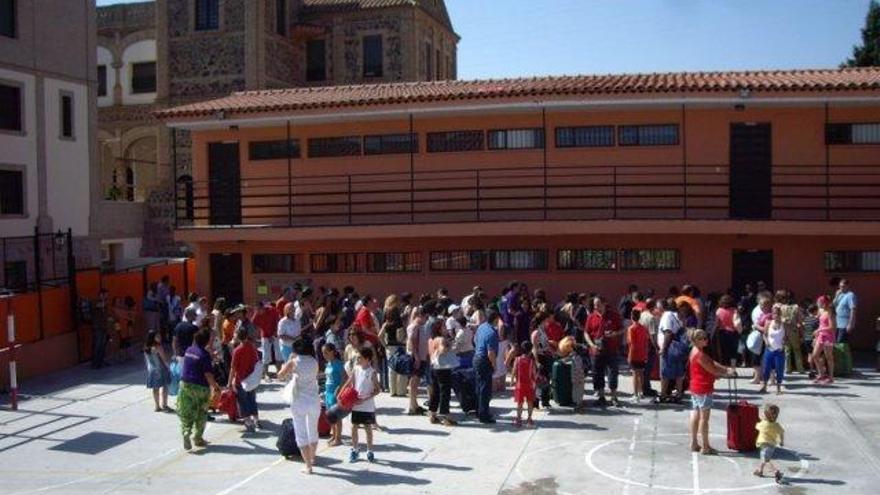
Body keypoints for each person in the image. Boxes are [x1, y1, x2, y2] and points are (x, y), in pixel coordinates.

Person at [688, 329, 735, 455]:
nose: (706, 340)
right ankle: (706, 446)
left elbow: (712, 363)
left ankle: (694, 443)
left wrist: (726, 369)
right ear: (696, 340)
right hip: (703, 388)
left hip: (695, 387)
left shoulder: (695, 351)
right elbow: (713, 369)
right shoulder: (700, 355)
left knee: (696, 414)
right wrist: (727, 373)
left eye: (705, 337)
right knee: (704, 418)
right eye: (702, 338)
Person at [278, 336, 321, 474]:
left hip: (299, 401)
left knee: (301, 433)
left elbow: (280, 375)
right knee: (313, 430)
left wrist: (288, 363)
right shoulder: (314, 361)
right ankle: (312, 458)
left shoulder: (294, 362)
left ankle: (308, 465)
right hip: (314, 400)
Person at [177, 329, 221, 451]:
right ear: (206, 341)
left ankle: (186, 432)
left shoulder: (189, 350)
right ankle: (197, 438)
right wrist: (215, 387)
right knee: (201, 413)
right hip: (200, 386)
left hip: (185, 384)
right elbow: (208, 375)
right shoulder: (204, 355)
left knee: (187, 411)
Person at [341, 346, 381, 463]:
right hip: (355, 404)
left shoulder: (372, 372)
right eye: (357, 357)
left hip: (367, 405)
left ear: (368, 359)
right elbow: (349, 383)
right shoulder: (356, 369)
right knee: (354, 426)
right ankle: (355, 449)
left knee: (368, 427)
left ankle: (370, 450)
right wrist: (341, 393)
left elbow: (378, 390)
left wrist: (365, 398)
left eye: (360, 358)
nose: (357, 360)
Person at [584, 297, 624, 407]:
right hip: (596, 350)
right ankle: (601, 397)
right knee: (597, 373)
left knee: (613, 373)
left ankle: (614, 397)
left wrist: (614, 334)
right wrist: (591, 345)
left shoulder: (614, 315)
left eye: (598, 305)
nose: (596, 307)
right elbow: (586, 333)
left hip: (611, 350)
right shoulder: (591, 316)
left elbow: (622, 329)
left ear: (604, 304)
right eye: (595, 305)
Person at [229, 327, 261, 432]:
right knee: (252, 399)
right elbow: (256, 361)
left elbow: (233, 368)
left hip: (240, 380)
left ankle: (248, 421)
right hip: (251, 379)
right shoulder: (251, 348)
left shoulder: (237, 351)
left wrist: (230, 382)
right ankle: (256, 420)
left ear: (238, 337)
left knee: (243, 401)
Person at [428, 317, 458, 426]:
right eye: (444, 326)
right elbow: (442, 350)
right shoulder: (441, 339)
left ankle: (432, 414)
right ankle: (446, 416)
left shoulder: (431, 339)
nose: (446, 328)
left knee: (435, 391)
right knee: (445, 392)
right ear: (439, 329)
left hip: (434, 367)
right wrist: (448, 345)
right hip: (443, 369)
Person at [659, 301, 690, 403]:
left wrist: (663, 349)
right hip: (680, 350)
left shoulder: (667, 315)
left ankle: (663, 395)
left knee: (665, 374)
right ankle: (678, 395)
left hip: (670, 349)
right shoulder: (680, 317)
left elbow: (668, 332)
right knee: (679, 374)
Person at [474, 309, 501, 424]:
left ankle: (478, 410)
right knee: (485, 389)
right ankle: (484, 415)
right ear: (495, 319)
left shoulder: (481, 327)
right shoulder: (492, 332)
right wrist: (494, 366)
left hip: (477, 358)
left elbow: (475, 340)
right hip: (485, 361)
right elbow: (491, 353)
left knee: (479, 387)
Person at [406, 306, 430, 416]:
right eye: (426, 317)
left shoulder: (419, 326)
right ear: (420, 315)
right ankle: (412, 405)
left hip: (421, 356)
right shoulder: (415, 326)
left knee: (415, 382)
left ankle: (414, 404)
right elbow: (412, 342)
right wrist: (417, 357)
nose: (426, 319)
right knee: (414, 382)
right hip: (417, 357)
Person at [753, 404, 785, 484]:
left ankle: (776, 472)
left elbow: (756, 426)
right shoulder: (777, 425)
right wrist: (781, 441)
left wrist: (761, 420)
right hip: (772, 446)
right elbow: (781, 433)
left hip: (764, 445)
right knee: (763, 459)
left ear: (766, 415)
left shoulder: (763, 423)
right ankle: (760, 471)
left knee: (766, 460)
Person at [143, 329, 172, 412]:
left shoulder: (146, 347)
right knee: (165, 387)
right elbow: (164, 358)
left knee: (155, 388)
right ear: (153, 337)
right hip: (161, 368)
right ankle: (164, 405)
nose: (160, 337)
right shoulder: (158, 346)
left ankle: (157, 406)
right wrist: (169, 367)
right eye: (157, 336)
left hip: (152, 370)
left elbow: (147, 360)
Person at [760, 305, 786, 395]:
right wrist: (766, 341)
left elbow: (787, 336)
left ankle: (778, 388)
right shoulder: (768, 323)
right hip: (769, 349)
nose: (776, 315)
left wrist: (784, 342)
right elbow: (764, 334)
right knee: (766, 368)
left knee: (779, 369)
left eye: (778, 313)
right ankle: (764, 386)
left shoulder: (784, 324)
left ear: (781, 314)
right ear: (772, 314)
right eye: (774, 313)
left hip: (779, 350)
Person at [322, 343, 344, 446]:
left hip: (335, 392)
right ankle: (334, 435)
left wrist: (339, 389)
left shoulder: (338, 364)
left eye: (326, 352)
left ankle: (338, 438)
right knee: (331, 416)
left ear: (332, 352)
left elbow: (345, 378)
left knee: (336, 416)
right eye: (323, 353)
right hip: (328, 392)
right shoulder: (329, 364)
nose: (324, 355)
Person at [811, 295, 837, 384]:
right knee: (815, 355)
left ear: (824, 303)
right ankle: (821, 374)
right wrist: (817, 334)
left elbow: (832, 327)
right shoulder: (822, 311)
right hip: (821, 336)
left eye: (820, 302)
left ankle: (831, 377)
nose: (818, 304)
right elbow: (821, 324)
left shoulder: (830, 313)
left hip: (828, 337)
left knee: (829, 357)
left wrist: (819, 330)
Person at [627, 309, 650, 403]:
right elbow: (646, 341)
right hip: (642, 353)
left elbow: (631, 343)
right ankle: (641, 392)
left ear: (631, 317)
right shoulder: (643, 328)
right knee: (641, 374)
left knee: (635, 374)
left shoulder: (631, 328)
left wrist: (629, 356)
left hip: (634, 353)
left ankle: (635, 394)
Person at [253, 301, 281, 378]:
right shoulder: (257, 314)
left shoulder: (272, 310)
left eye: (258, 310)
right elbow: (253, 326)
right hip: (265, 335)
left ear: (263, 308)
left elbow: (279, 322)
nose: (257, 312)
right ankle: (266, 373)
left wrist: (274, 334)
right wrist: (254, 339)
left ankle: (279, 371)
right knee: (266, 354)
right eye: (256, 310)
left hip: (275, 333)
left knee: (278, 353)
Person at [513, 341, 537, 427]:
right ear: (530, 351)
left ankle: (518, 419)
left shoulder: (517, 359)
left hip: (520, 385)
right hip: (530, 385)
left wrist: (513, 380)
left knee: (520, 403)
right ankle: (529, 419)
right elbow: (534, 373)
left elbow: (514, 371)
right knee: (530, 402)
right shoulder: (531, 361)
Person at [833, 279, 857, 344]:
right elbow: (833, 305)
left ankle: (844, 354)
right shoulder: (839, 294)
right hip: (837, 323)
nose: (841, 288)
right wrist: (836, 295)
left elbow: (853, 309)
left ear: (847, 286)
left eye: (843, 286)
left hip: (844, 324)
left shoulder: (850, 295)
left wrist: (850, 324)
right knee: (836, 342)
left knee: (841, 343)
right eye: (840, 286)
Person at [91, 289, 110, 369]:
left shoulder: (105, 304)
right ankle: (95, 362)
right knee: (98, 345)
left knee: (103, 344)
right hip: (98, 327)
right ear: (101, 295)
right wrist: (104, 301)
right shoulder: (95, 302)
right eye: (105, 295)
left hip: (104, 326)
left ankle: (101, 360)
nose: (107, 296)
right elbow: (99, 305)